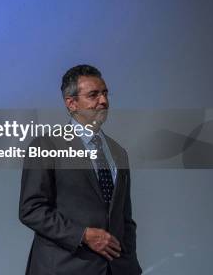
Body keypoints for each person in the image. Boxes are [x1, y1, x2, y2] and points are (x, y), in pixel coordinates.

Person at [19, 64, 142, 275]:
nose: (103, 101)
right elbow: (31, 209)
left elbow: (125, 219)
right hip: (63, 267)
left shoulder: (118, 152)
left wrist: (129, 265)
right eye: (93, 95)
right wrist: (83, 235)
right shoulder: (47, 145)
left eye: (105, 93)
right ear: (72, 103)